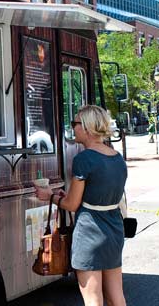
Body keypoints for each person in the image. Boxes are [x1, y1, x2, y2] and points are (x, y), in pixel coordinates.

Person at [35, 105, 127, 306]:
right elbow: (102, 193)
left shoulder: (83, 159)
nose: (72, 128)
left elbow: (72, 204)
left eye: (75, 123)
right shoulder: (118, 158)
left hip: (90, 233)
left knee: (93, 298)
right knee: (116, 296)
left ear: (87, 127)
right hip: (114, 230)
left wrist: (49, 196)